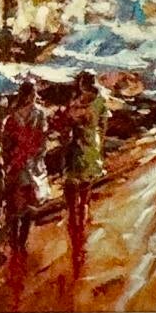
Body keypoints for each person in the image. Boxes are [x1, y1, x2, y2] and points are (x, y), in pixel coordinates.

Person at [0, 84, 46, 306]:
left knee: (22, 205)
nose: (33, 97)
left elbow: (40, 141)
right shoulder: (17, 118)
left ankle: (19, 243)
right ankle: (17, 243)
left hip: (25, 165)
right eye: (32, 94)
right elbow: (8, 144)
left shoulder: (30, 115)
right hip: (21, 166)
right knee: (18, 205)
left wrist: (27, 157)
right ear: (29, 95)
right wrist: (15, 159)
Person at [61, 82, 109, 297]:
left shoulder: (74, 106)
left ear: (82, 86)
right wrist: (98, 144)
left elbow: (65, 132)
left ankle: (75, 227)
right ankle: (82, 223)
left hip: (75, 153)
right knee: (85, 193)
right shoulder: (99, 104)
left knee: (72, 195)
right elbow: (103, 128)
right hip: (91, 151)